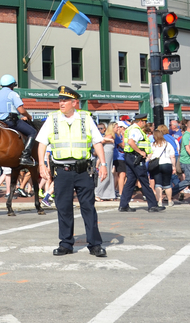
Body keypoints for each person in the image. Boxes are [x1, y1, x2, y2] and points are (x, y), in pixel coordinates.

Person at [37, 86, 107, 257]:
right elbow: (42, 143)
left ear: (74, 103)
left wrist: (103, 163)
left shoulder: (85, 118)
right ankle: (66, 243)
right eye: (60, 100)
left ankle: (95, 244)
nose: (61, 103)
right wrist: (41, 164)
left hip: (83, 170)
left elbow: (97, 142)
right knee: (64, 208)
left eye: (65, 100)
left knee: (88, 207)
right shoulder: (52, 119)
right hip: (62, 170)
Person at [118, 113, 163, 212]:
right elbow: (131, 142)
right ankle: (152, 205)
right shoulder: (136, 130)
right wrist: (140, 152)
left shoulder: (130, 129)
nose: (145, 124)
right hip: (136, 157)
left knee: (130, 181)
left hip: (130, 156)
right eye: (145, 121)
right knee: (144, 181)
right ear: (140, 121)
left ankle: (123, 205)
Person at [0, 74, 36, 166]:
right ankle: (25, 156)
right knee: (33, 132)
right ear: (12, 85)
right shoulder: (12, 94)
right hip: (10, 121)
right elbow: (21, 110)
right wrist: (28, 116)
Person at [150, 125, 176, 207]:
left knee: (158, 183)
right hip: (167, 163)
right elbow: (173, 156)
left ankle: (159, 201)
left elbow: (149, 155)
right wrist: (174, 166)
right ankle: (169, 200)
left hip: (157, 164)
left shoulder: (152, 145)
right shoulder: (168, 144)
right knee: (167, 184)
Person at [94, 123, 116, 200]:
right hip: (106, 154)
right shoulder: (109, 136)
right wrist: (109, 140)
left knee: (110, 174)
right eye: (116, 127)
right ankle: (97, 193)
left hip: (109, 155)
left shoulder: (114, 136)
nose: (118, 129)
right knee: (104, 174)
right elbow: (101, 141)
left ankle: (108, 194)